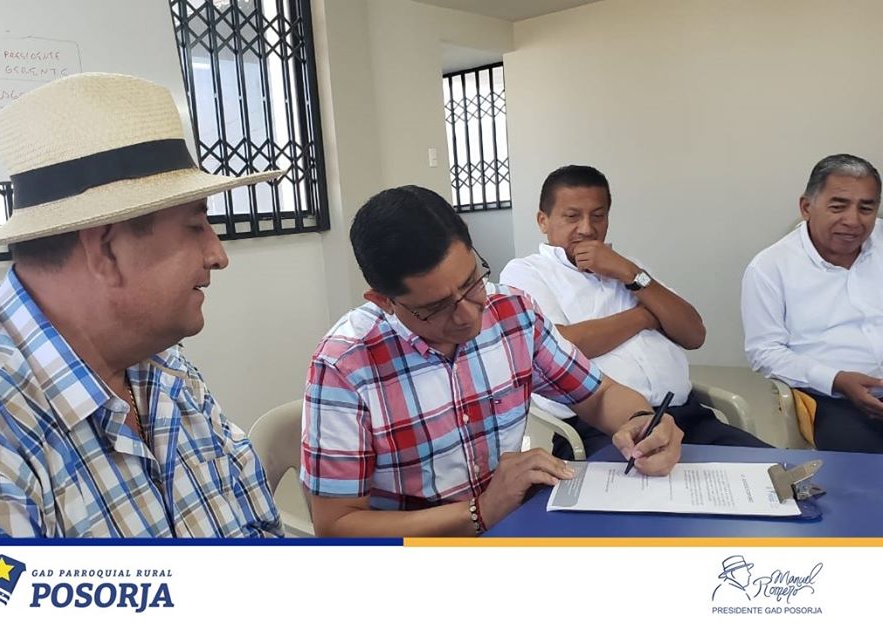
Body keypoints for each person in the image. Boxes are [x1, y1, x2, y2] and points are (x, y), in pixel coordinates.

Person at [0, 73, 283, 537]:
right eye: (196, 227)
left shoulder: (167, 369)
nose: (217, 255)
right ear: (106, 249)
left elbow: (259, 532)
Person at [300, 185, 683, 537]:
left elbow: (598, 394)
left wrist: (640, 421)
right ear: (384, 301)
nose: (468, 315)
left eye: (471, 282)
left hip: (513, 529)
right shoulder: (344, 365)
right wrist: (480, 511)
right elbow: (336, 525)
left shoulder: (512, 312)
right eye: (436, 307)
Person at [501, 165, 769, 460]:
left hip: (687, 417)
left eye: (598, 216)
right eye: (572, 216)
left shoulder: (625, 266)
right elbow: (557, 348)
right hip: (601, 430)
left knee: (779, 473)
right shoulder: (526, 272)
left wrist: (629, 272)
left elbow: (694, 334)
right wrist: (644, 317)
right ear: (543, 220)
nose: (587, 229)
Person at [742, 153, 883, 453]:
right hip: (832, 397)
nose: (853, 220)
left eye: (866, 208)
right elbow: (764, 352)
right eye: (838, 206)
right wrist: (837, 380)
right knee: (864, 463)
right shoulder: (769, 267)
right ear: (807, 207)